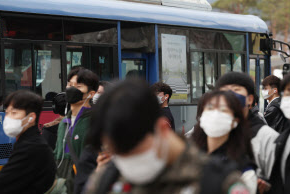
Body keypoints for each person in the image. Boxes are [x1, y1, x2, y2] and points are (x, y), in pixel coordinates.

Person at [84, 79, 249, 194]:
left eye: (133, 149)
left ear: (162, 128)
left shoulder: (218, 184)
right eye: (118, 153)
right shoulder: (105, 182)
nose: (128, 162)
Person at [215, 72, 278, 184]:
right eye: (224, 90)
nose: (229, 94)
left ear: (250, 99)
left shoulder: (266, 137)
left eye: (236, 89)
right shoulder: (211, 132)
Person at [193, 90, 257, 194]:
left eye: (223, 110)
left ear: (235, 121)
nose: (215, 114)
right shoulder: (190, 156)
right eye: (210, 108)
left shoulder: (243, 168)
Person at [0, 90, 56, 193]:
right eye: (7, 113)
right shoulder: (27, 142)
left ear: (31, 118)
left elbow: (3, 182)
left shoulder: (31, 147)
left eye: (14, 113)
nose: (8, 118)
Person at [53, 67, 99, 194]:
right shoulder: (64, 122)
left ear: (91, 94)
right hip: (62, 188)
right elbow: (57, 153)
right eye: (69, 84)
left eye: (78, 86)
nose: (71, 89)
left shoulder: (94, 122)